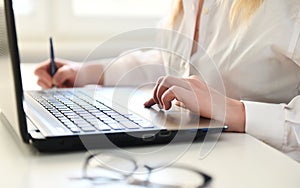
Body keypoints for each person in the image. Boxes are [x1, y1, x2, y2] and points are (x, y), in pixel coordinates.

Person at [34, 0, 300, 161]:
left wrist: (235, 112)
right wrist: (90, 73)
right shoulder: (190, 5)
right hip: (210, 158)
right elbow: (173, 63)